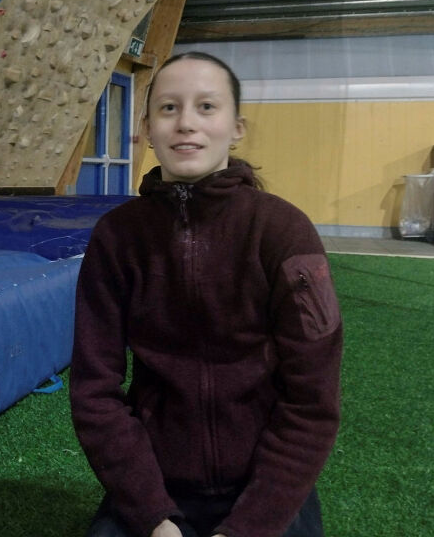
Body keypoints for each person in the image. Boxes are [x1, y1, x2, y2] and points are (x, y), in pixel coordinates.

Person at [70, 52, 342, 537]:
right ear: (147, 127)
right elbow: (95, 394)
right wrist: (153, 516)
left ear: (236, 127)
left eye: (207, 107)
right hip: (156, 483)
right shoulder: (116, 238)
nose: (186, 123)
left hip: (263, 486)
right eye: (169, 108)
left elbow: (312, 403)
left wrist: (250, 526)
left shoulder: (285, 232)